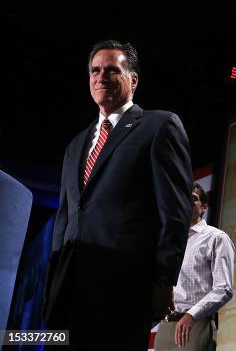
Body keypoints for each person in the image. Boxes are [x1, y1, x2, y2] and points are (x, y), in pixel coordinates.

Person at [43, 40, 193, 350]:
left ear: (133, 80)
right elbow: (66, 217)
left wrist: (164, 279)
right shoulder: (75, 145)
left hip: (123, 284)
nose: (102, 77)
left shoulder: (159, 126)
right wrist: (53, 282)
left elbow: (175, 210)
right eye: (95, 71)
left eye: (113, 70)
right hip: (70, 287)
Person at [155, 183, 235, 351]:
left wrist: (192, 315)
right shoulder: (171, 240)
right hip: (165, 324)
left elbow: (224, 289)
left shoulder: (216, 238)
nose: (187, 202)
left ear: (204, 206)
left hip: (196, 323)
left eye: (193, 198)